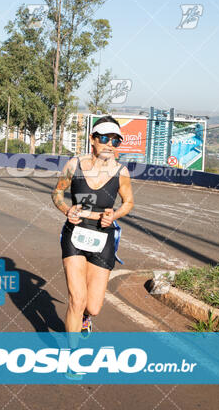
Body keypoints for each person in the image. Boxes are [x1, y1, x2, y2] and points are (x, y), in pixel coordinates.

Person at [51, 115, 134, 337]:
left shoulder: (121, 172)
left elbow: (129, 202)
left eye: (116, 141)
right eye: (105, 138)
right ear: (92, 139)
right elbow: (58, 192)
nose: (110, 145)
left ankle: (86, 318)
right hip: (75, 234)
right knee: (77, 300)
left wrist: (114, 215)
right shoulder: (74, 165)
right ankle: (72, 358)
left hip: (103, 236)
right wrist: (66, 210)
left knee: (93, 307)